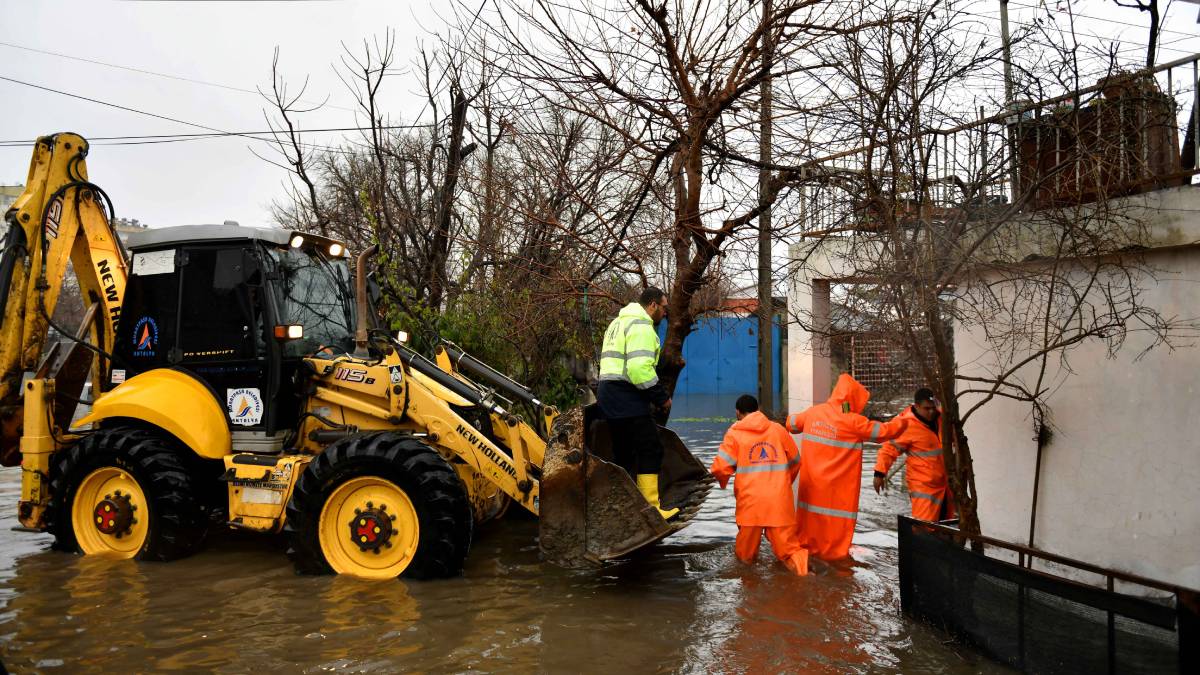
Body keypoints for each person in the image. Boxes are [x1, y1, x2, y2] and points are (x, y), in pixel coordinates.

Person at [785, 373, 909, 561]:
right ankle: (834, 562)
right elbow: (885, 432)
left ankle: (807, 557)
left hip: (811, 487)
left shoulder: (814, 412)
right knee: (834, 536)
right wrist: (906, 417)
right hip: (836, 491)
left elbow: (791, 424)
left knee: (809, 529)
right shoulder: (853, 422)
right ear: (852, 399)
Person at [596, 287, 677, 519]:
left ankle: (623, 508)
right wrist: (661, 397)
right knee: (651, 448)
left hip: (608, 394)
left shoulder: (618, 323)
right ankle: (652, 510)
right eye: (663, 308)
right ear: (652, 305)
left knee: (624, 453)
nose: (665, 313)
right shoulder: (641, 325)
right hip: (626, 395)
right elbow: (639, 369)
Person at [710, 394, 809, 575]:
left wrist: (721, 482)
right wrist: (784, 484)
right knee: (790, 551)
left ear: (738, 413)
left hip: (750, 505)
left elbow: (720, 468)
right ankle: (805, 579)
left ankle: (750, 592)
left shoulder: (735, 433)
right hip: (779, 503)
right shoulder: (777, 429)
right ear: (758, 409)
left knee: (745, 559)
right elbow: (796, 461)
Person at [873, 387, 956, 522]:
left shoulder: (942, 418)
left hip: (946, 483)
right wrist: (879, 473)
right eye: (926, 408)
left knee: (946, 523)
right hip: (923, 485)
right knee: (924, 525)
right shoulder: (904, 424)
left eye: (933, 407)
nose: (931, 412)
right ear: (916, 406)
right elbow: (889, 449)